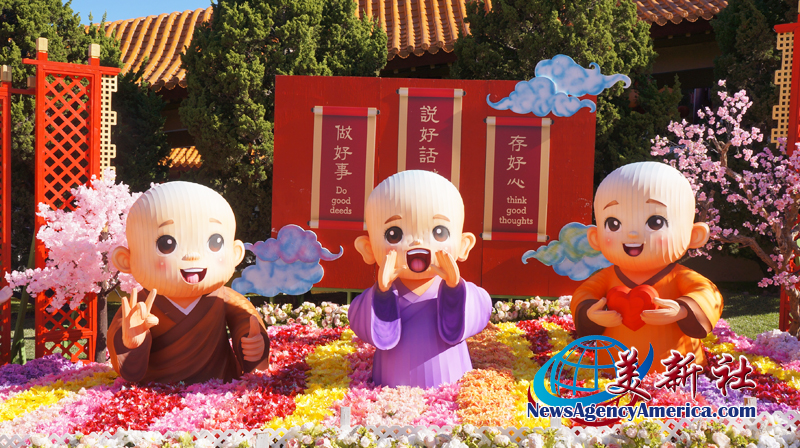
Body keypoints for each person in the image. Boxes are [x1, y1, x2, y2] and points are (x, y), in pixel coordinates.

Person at [108, 182, 269, 383]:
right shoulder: (139, 308)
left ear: (235, 254)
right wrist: (132, 344)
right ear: (126, 260)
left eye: (215, 242)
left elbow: (246, 322)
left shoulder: (224, 298)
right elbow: (125, 363)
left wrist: (253, 346)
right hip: (157, 391)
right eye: (166, 244)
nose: (193, 256)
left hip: (219, 387)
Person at [571, 162, 723, 371]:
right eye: (614, 224)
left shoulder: (680, 276)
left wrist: (683, 310)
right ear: (595, 238)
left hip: (675, 369)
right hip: (612, 366)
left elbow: (708, 294)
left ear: (693, 235)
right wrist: (590, 313)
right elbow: (583, 294)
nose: (632, 234)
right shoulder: (606, 277)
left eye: (655, 222)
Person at [349, 170, 492, 388]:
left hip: (451, 382)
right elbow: (359, 321)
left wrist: (454, 289)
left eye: (439, 232)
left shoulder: (467, 294)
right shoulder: (373, 299)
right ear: (368, 249)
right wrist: (382, 293)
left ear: (464, 246)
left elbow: (480, 312)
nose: (417, 243)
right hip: (391, 386)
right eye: (394, 234)